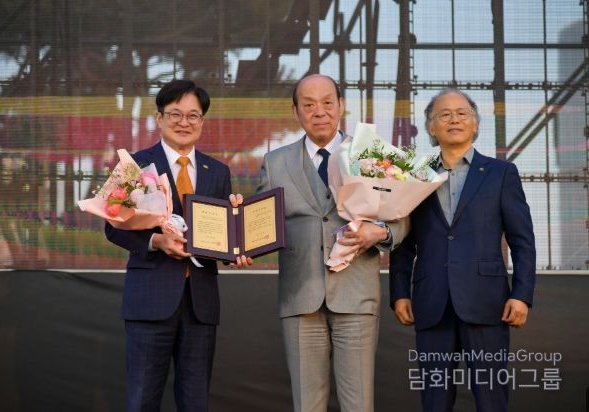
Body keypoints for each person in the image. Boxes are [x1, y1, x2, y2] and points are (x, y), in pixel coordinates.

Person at [257, 74, 409, 412]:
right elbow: (260, 221)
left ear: (341, 105)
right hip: (300, 298)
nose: (319, 111)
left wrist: (379, 232)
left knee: (358, 404)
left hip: (356, 296)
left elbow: (401, 217)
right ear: (295, 111)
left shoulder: (372, 156)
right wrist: (240, 237)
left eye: (327, 102)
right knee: (307, 405)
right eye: (308, 105)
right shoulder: (275, 162)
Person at [105, 79, 252, 412]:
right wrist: (156, 240)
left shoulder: (217, 171)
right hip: (149, 301)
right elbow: (112, 226)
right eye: (175, 114)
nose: (184, 122)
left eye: (193, 115)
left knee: (195, 402)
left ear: (202, 121)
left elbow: (222, 234)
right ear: (159, 118)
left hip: (200, 305)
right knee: (142, 400)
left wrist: (237, 249)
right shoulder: (135, 164)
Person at [390, 88, 536, 412]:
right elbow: (403, 241)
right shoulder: (414, 176)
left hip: (487, 303)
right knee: (435, 401)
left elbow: (522, 240)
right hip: (432, 303)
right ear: (431, 127)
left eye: (462, 113)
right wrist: (399, 292)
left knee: (491, 400)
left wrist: (522, 295)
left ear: (475, 123)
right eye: (444, 114)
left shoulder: (501, 173)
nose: (453, 119)